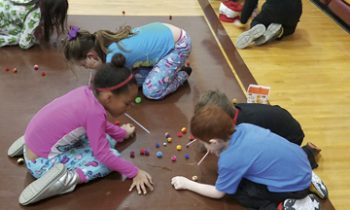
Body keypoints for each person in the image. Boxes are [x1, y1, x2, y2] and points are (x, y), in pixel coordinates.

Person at [12, 55, 153, 206]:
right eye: (127, 103)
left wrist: (121, 133)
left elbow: (100, 126)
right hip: (41, 164)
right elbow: (103, 154)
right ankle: (64, 179)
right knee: (108, 159)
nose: (130, 107)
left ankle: (31, 145)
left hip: (32, 141)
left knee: (102, 138)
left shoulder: (86, 93)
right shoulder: (95, 113)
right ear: (108, 97)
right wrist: (134, 172)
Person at [172, 105, 327, 210]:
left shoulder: (230, 159)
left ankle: (297, 204)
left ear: (213, 141)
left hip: (293, 188)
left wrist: (186, 184)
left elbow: (218, 193)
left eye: (204, 144)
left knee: (240, 192)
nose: (205, 148)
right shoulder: (245, 127)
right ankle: (308, 181)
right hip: (301, 164)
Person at [63, 22, 192, 100]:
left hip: (178, 45)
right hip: (164, 32)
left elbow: (116, 85)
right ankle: (167, 71)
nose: (87, 68)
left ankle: (181, 74)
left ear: (92, 56)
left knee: (151, 91)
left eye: (84, 65)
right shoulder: (103, 42)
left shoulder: (112, 57)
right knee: (135, 79)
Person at [194, 90, 320, 169]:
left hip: (290, 136)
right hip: (280, 121)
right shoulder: (233, 111)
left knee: (270, 165)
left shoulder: (245, 126)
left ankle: (308, 152)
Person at [0, 0, 69, 49]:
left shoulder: (37, 3)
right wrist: (34, 39)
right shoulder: (35, 16)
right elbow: (24, 44)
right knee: (20, 35)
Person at [235, 0, 302, 49]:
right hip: (294, 11)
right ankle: (280, 31)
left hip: (272, 10)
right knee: (291, 29)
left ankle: (257, 27)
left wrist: (243, 21)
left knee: (257, 21)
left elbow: (250, 2)